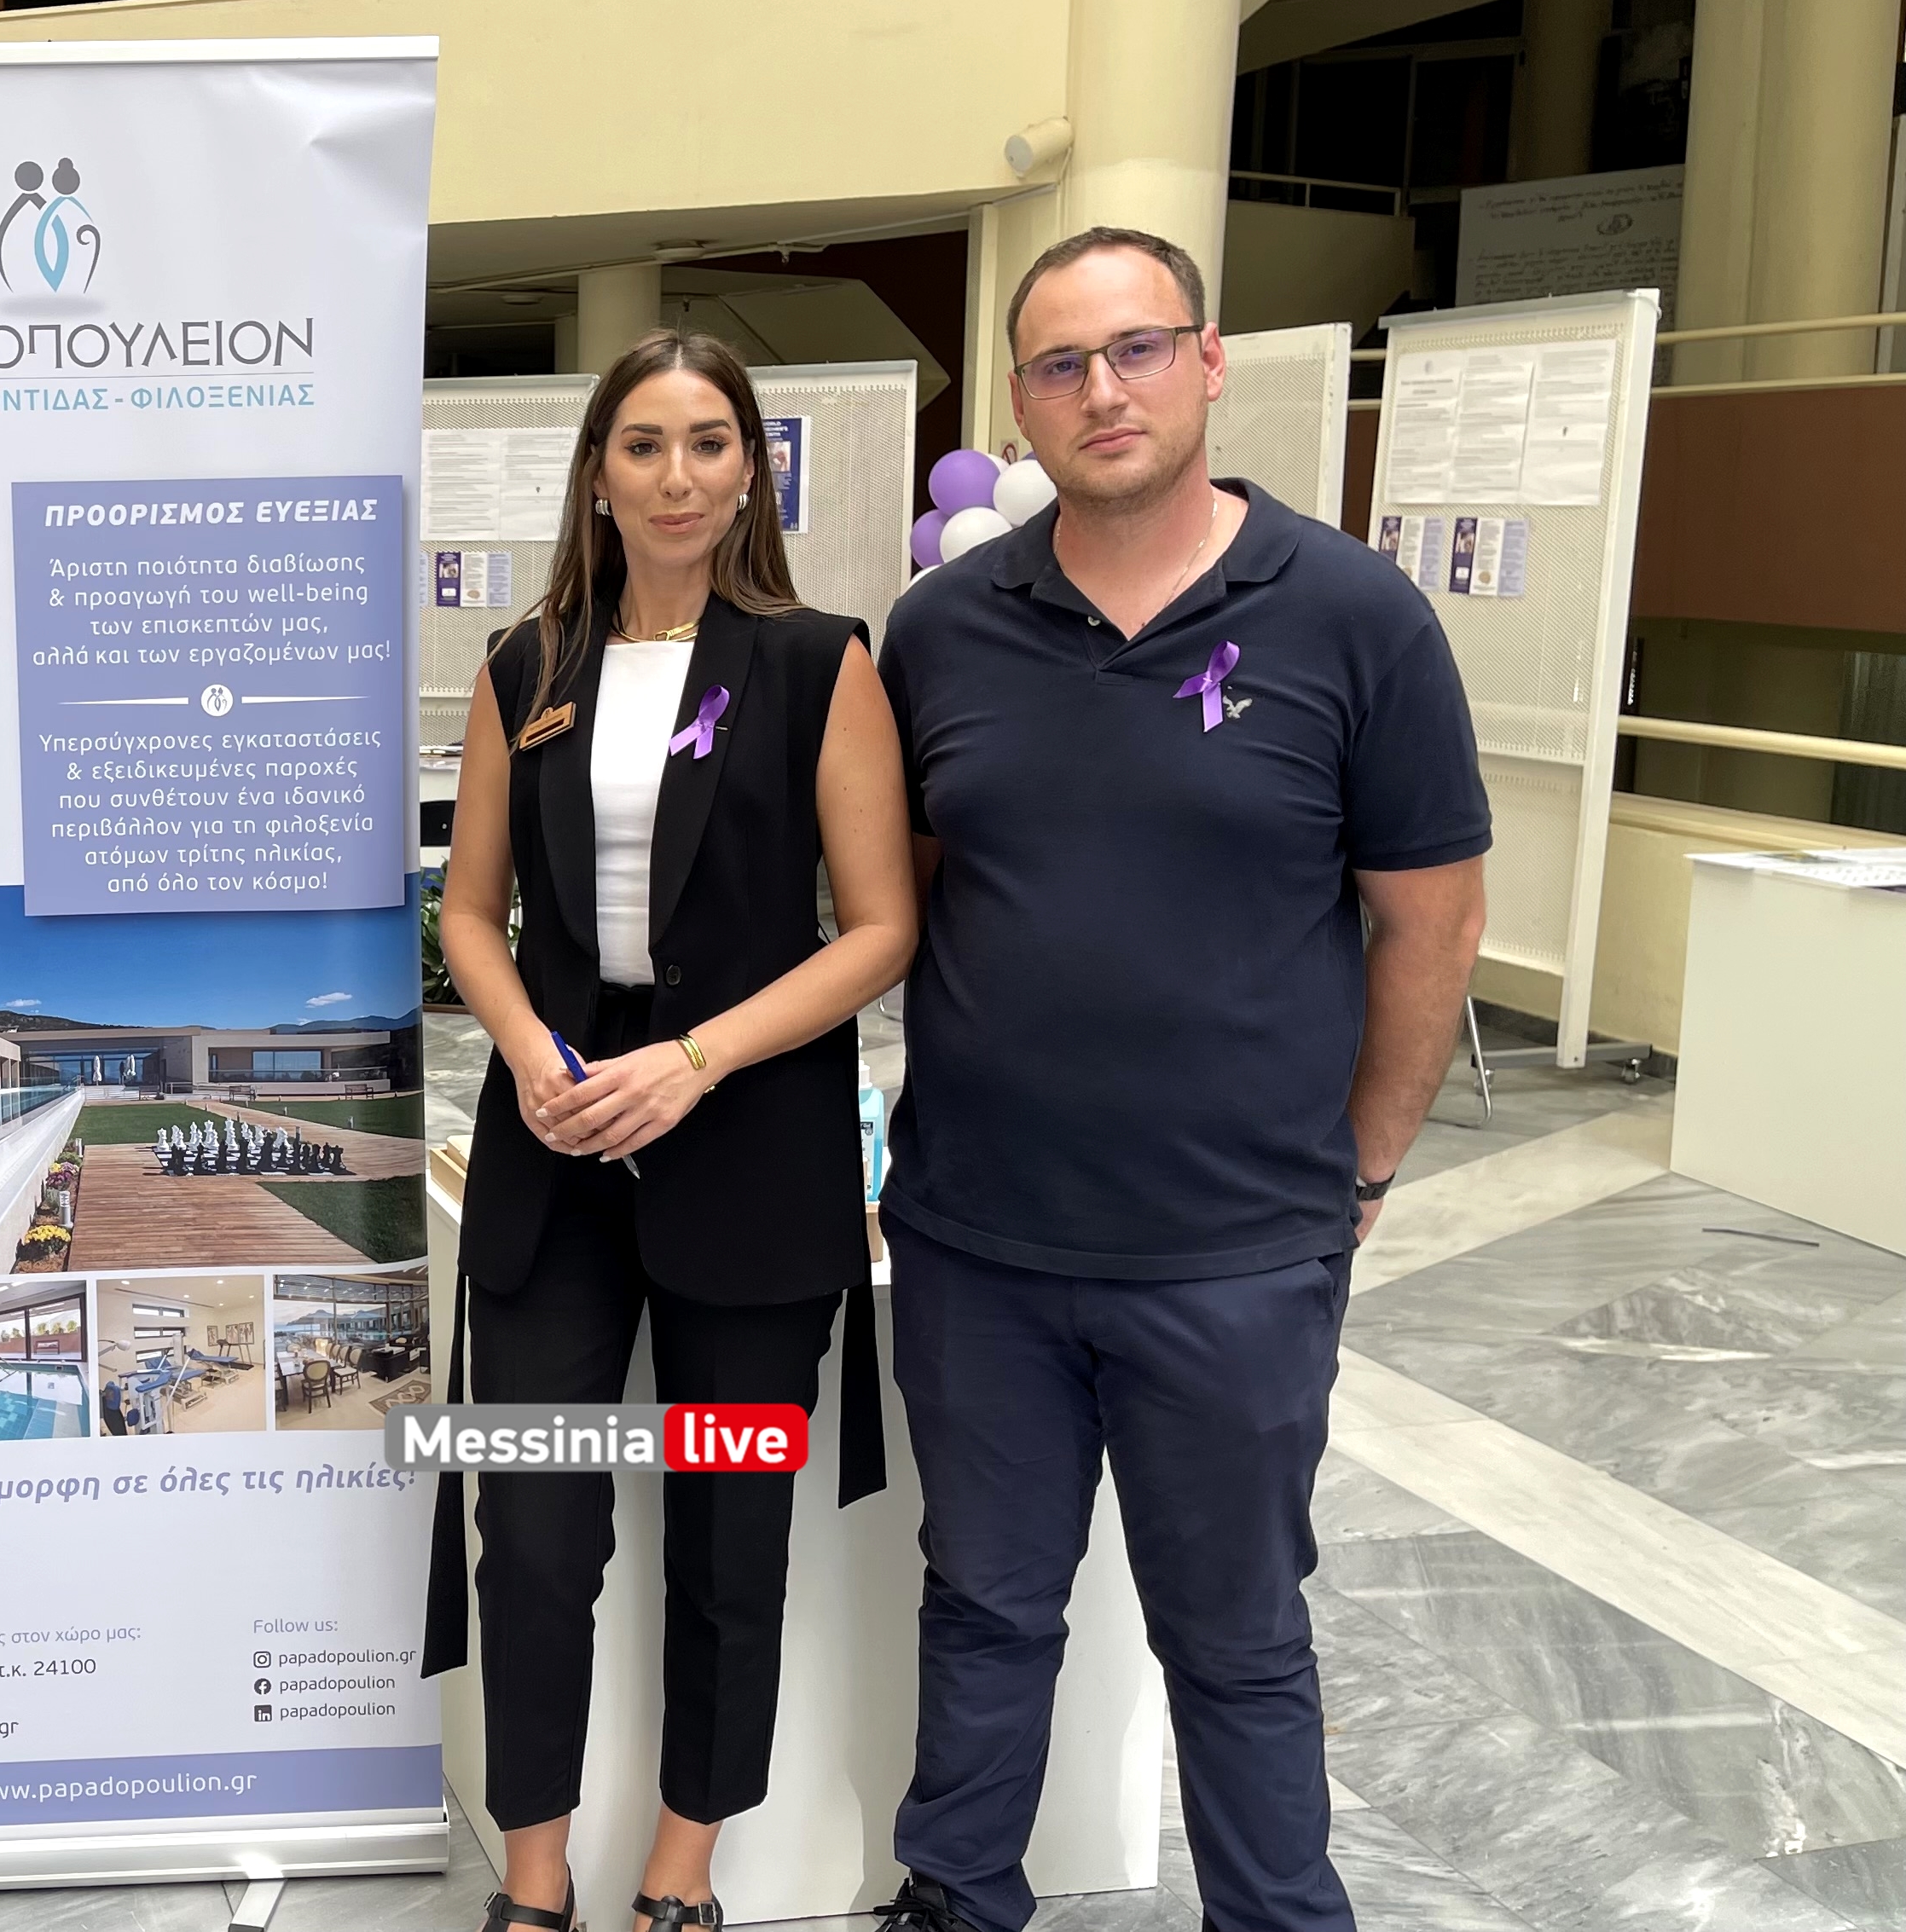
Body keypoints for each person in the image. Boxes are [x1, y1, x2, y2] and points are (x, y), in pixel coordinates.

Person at [866, 229, 1489, 1932]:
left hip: (1233, 1256)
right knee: (983, 1607)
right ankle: (956, 1899)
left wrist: (1358, 1171)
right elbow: (907, 896)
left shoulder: (1354, 619)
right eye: (1061, 365)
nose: (1103, 391)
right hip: (980, 1244)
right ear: (1019, 402)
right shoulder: (942, 630)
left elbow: (1430, 921)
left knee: (1235, 1635)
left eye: (1137, 348)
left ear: (1208, 363)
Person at [427, 329, 919, 1932]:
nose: (677, 475)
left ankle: (681, 1870)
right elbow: (471, 910)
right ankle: (534, 1878)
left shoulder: (817, 663)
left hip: (750, 1139)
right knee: (533, 1524)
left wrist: (693, 1061)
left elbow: (880, 926)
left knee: (728, 1529)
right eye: (642, 443)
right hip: (556, 1145)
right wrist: (532, 1051)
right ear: (597, 474)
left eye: (710, 442)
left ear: (751, 469)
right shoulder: (528, 667)